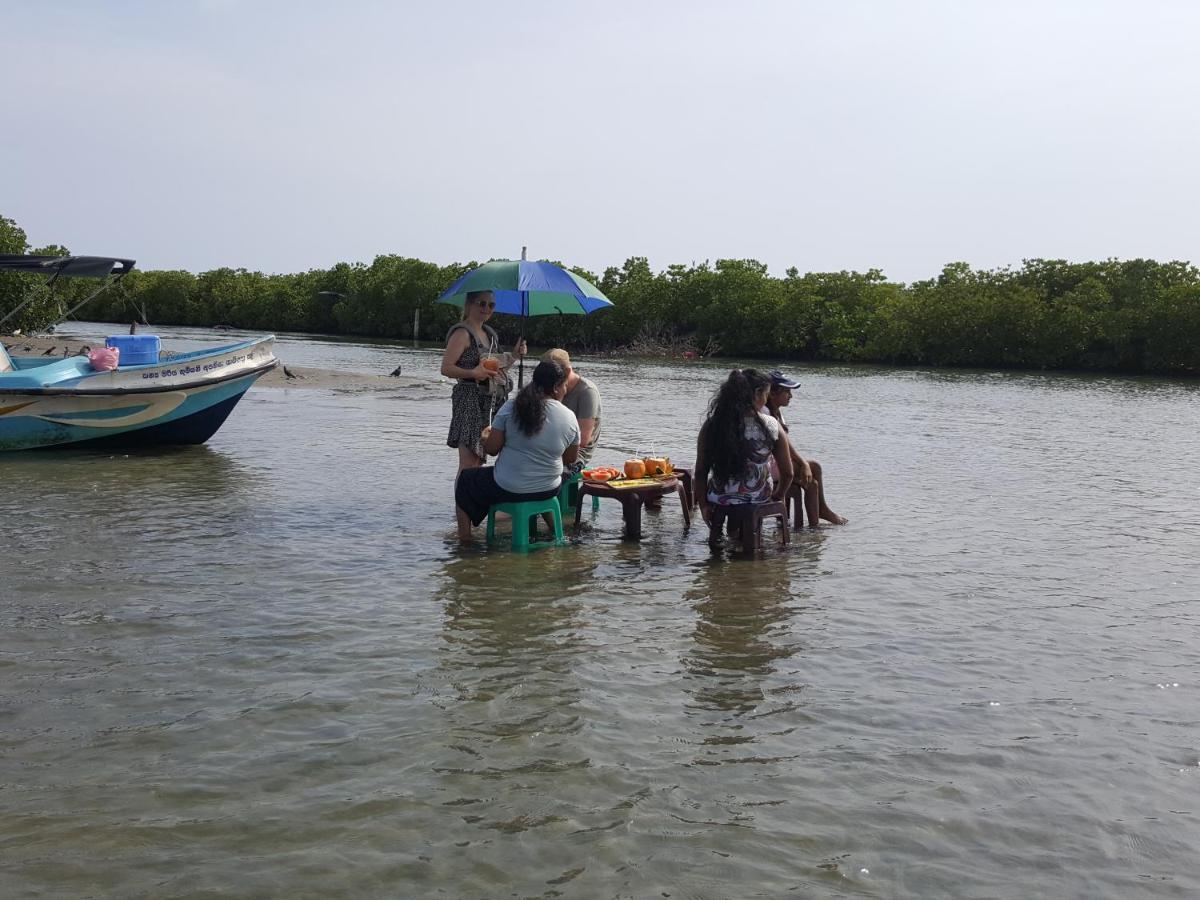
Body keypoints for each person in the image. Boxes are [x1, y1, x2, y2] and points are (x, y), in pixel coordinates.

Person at [454, 359, 580, 543]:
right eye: (564, 386)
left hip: (509, 487)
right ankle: (557, 533)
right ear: (555, 388)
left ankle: (464, 540)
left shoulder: (511, 407)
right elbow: (570, 458)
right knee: (536, 478)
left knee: (465, 480)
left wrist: (485, 438)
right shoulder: (569, 417)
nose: (565, 390)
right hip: (549, 488)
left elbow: (492, 449)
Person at [695, 368, 794, 528]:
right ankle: (748, 543)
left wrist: (703, 505)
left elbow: (700, 472)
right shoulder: (771, 425)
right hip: (757, 498)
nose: (767, 398)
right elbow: (788, 473)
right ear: (757, 394)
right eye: (766, 394)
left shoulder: (713, 425)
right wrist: (779, 495)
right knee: (751, 531)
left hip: (719, 498)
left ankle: (730, 542)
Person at [441, 290, 526, 472]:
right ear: (469, 304)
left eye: (491, 305)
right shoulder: (462, 333)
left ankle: (474, 500)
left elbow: (497, 371)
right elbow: (446, 368)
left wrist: (514, 355)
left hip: (491, 403)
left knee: (479, 462)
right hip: (469, 401)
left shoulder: (490, 335)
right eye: (482, 303)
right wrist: (473, 372)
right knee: (468, 464)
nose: (486, 308)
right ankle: (462, 502)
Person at [765, 370, 847, 525]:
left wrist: (803, 464)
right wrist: (803, 464)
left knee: (814, 471)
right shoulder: (766, 414)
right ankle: (816, 524)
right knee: (812, 475)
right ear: (772, 394)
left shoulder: (778, 413)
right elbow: (786, 447)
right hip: (771, 465)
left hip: (777, 462)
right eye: (787, 391)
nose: (791, 396)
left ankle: (821, 511)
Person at [542, 348, 601, 467]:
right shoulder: (548, 385)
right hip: (551, 443)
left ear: (567, 371)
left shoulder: (587, 392)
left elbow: (583, 440)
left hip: (577, 453)